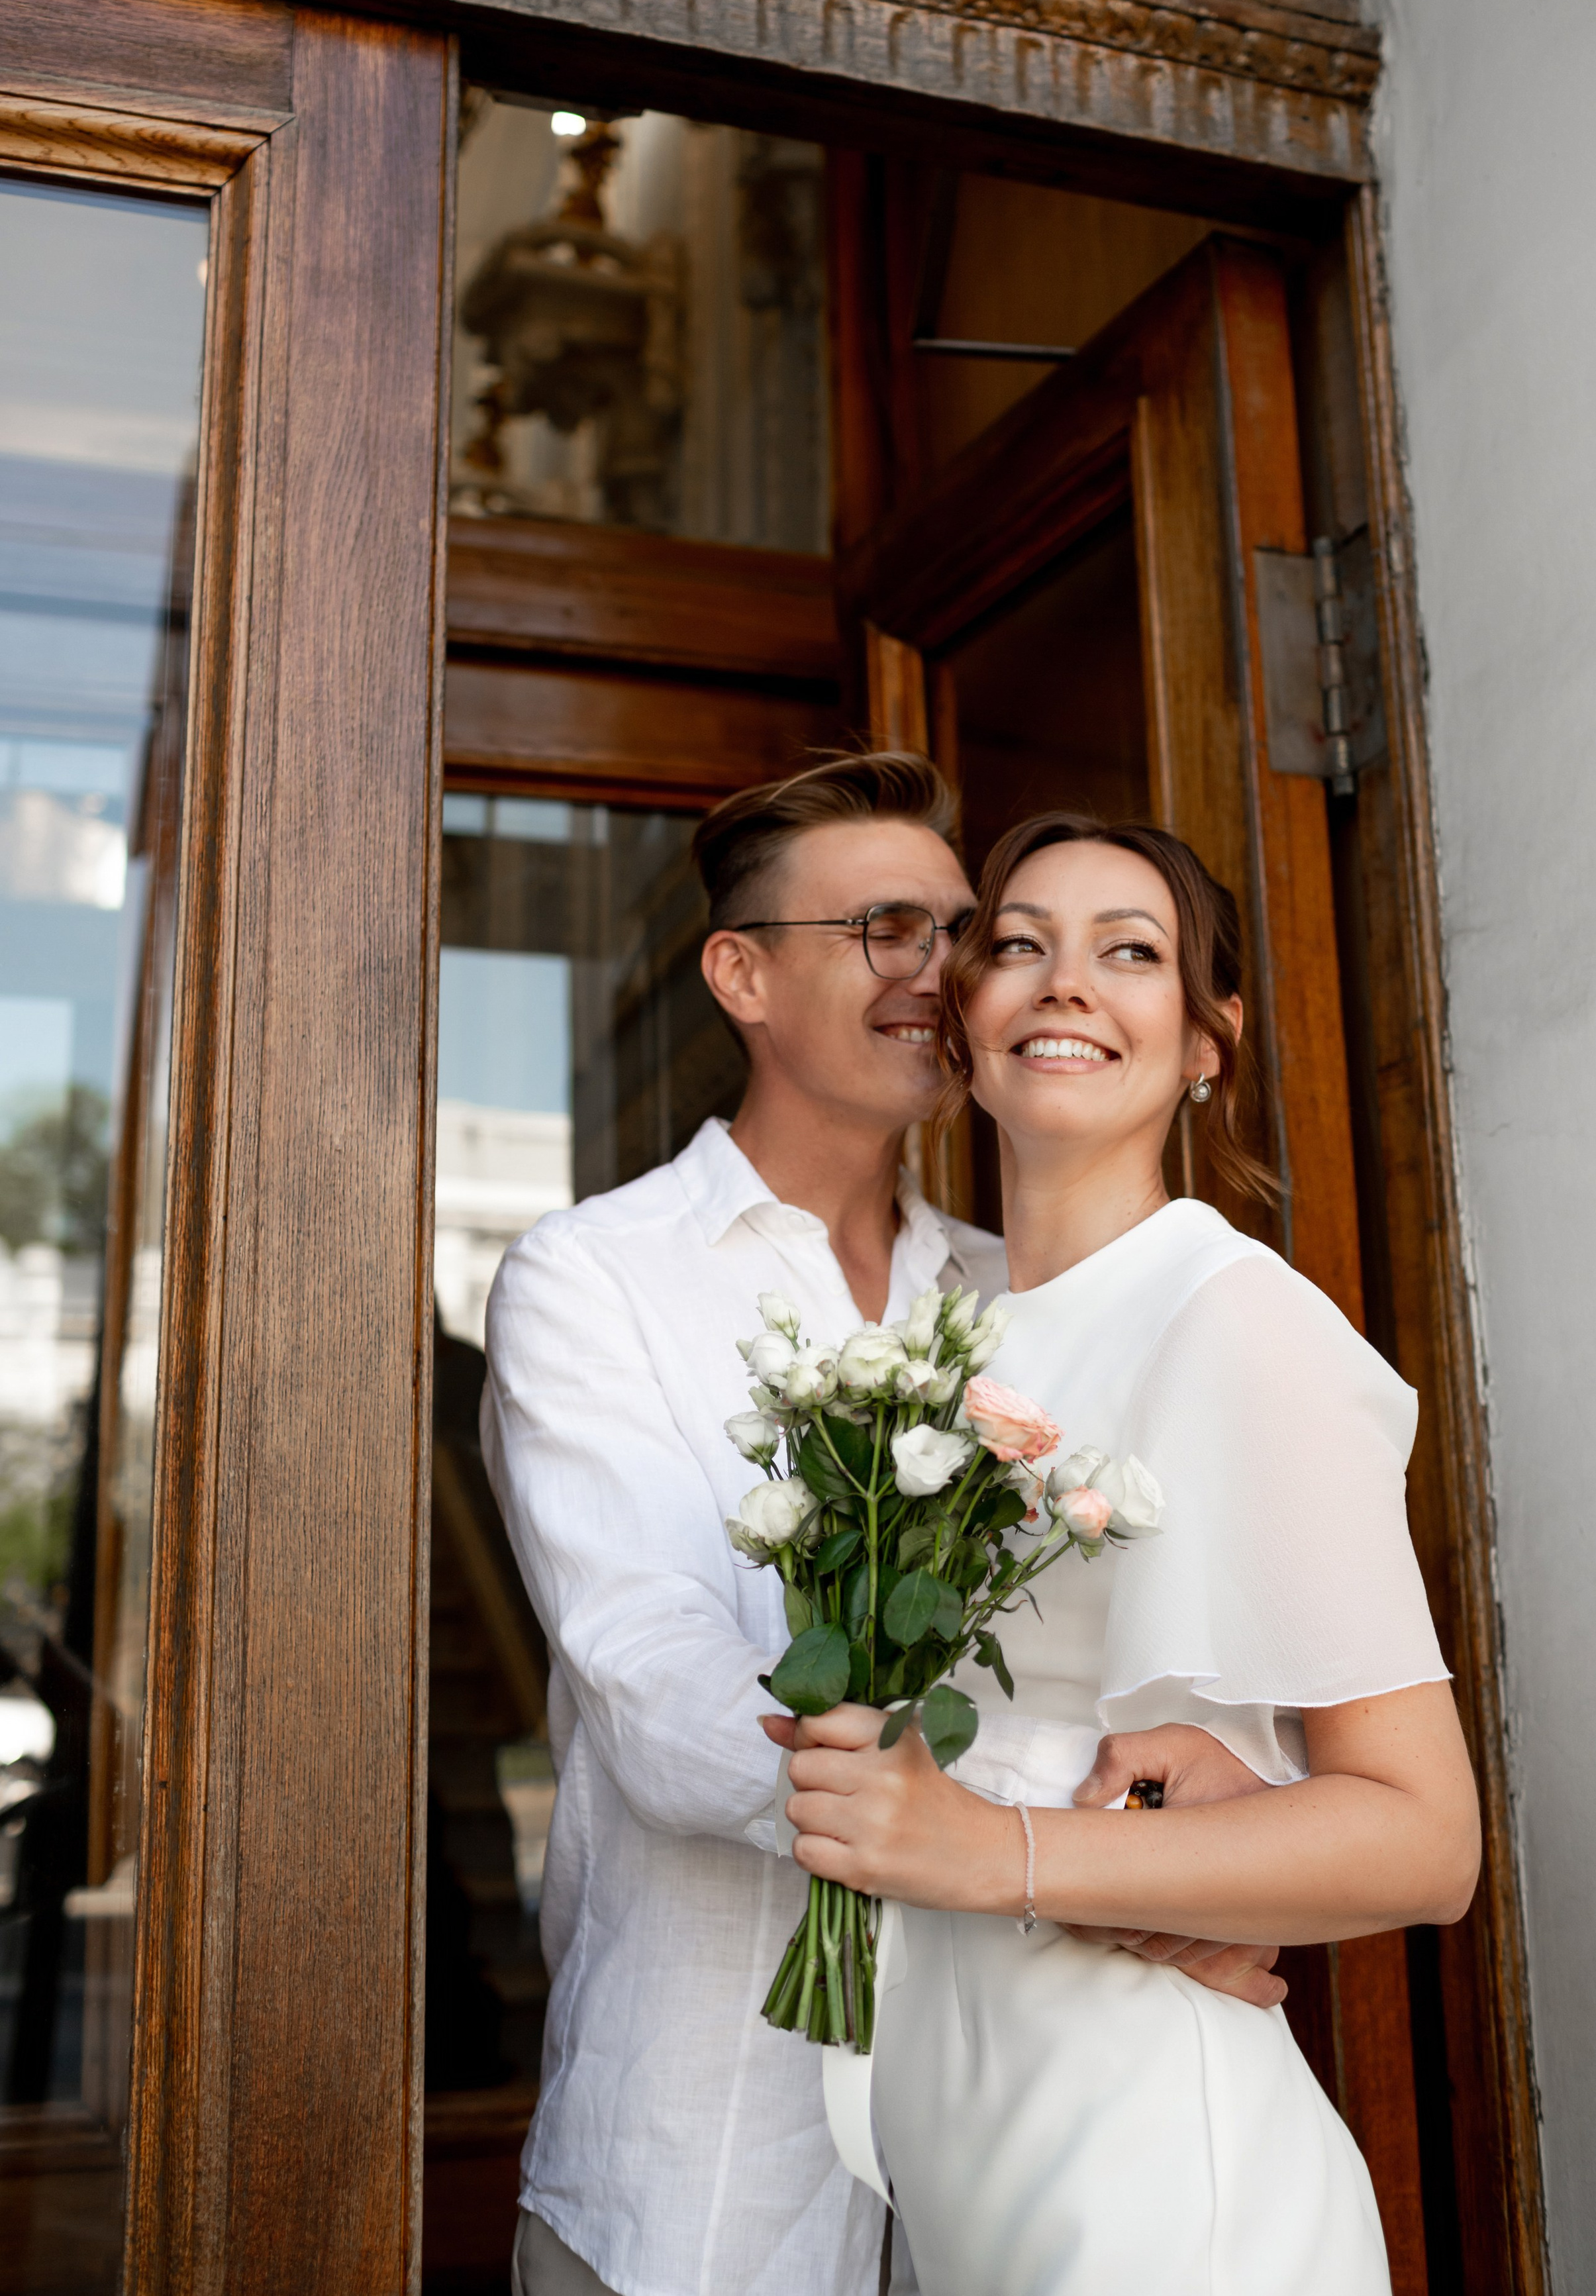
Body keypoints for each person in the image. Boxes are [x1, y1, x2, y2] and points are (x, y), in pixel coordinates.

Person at [481, 759, 1284, 2296]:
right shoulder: (593, 1281)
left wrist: (1195, 1848)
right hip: (701, 2178)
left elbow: (1153, 1668)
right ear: (743, 976)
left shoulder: (1015, 1296)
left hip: (1014, 2147)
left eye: (959, 932)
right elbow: (666, 1702)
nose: (939, 972)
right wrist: (1107, 1853)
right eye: (885, 930)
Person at [773, 814, 1481, 2296]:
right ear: (964, 1023)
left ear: (1207, 1040)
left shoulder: (1234, 1315)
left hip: (1151, 2172)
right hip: (968, 2143)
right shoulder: (941, 1354)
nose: (1065, 983)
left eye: (1131, 952)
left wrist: (1011, 1852)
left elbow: (1426, 1840)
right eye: (1018, 945)